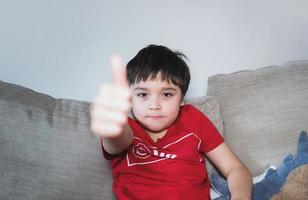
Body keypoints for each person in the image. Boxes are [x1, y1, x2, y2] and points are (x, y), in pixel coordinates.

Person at [90, 45, 252, 200]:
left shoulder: (194, 119)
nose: (154, 105)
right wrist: (113, 126)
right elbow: (118, 139)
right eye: (142, 94)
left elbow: (235, 168)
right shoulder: (124, 127)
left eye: (167, 94)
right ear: (130, 99)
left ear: (181, 99)